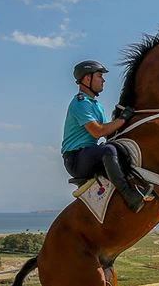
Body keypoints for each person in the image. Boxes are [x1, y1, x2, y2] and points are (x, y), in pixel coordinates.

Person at [61, 60, 152, 212]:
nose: (103, 80)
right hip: (75, 159)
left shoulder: (96, 105)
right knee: (108, 150)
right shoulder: (80, 103)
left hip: (89, 154)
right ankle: (129, 196)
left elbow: (109, 131)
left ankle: (138, 184)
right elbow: (98, 131)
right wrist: (122, 119)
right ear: (87, 79)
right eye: (99, 76)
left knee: (120, 148)